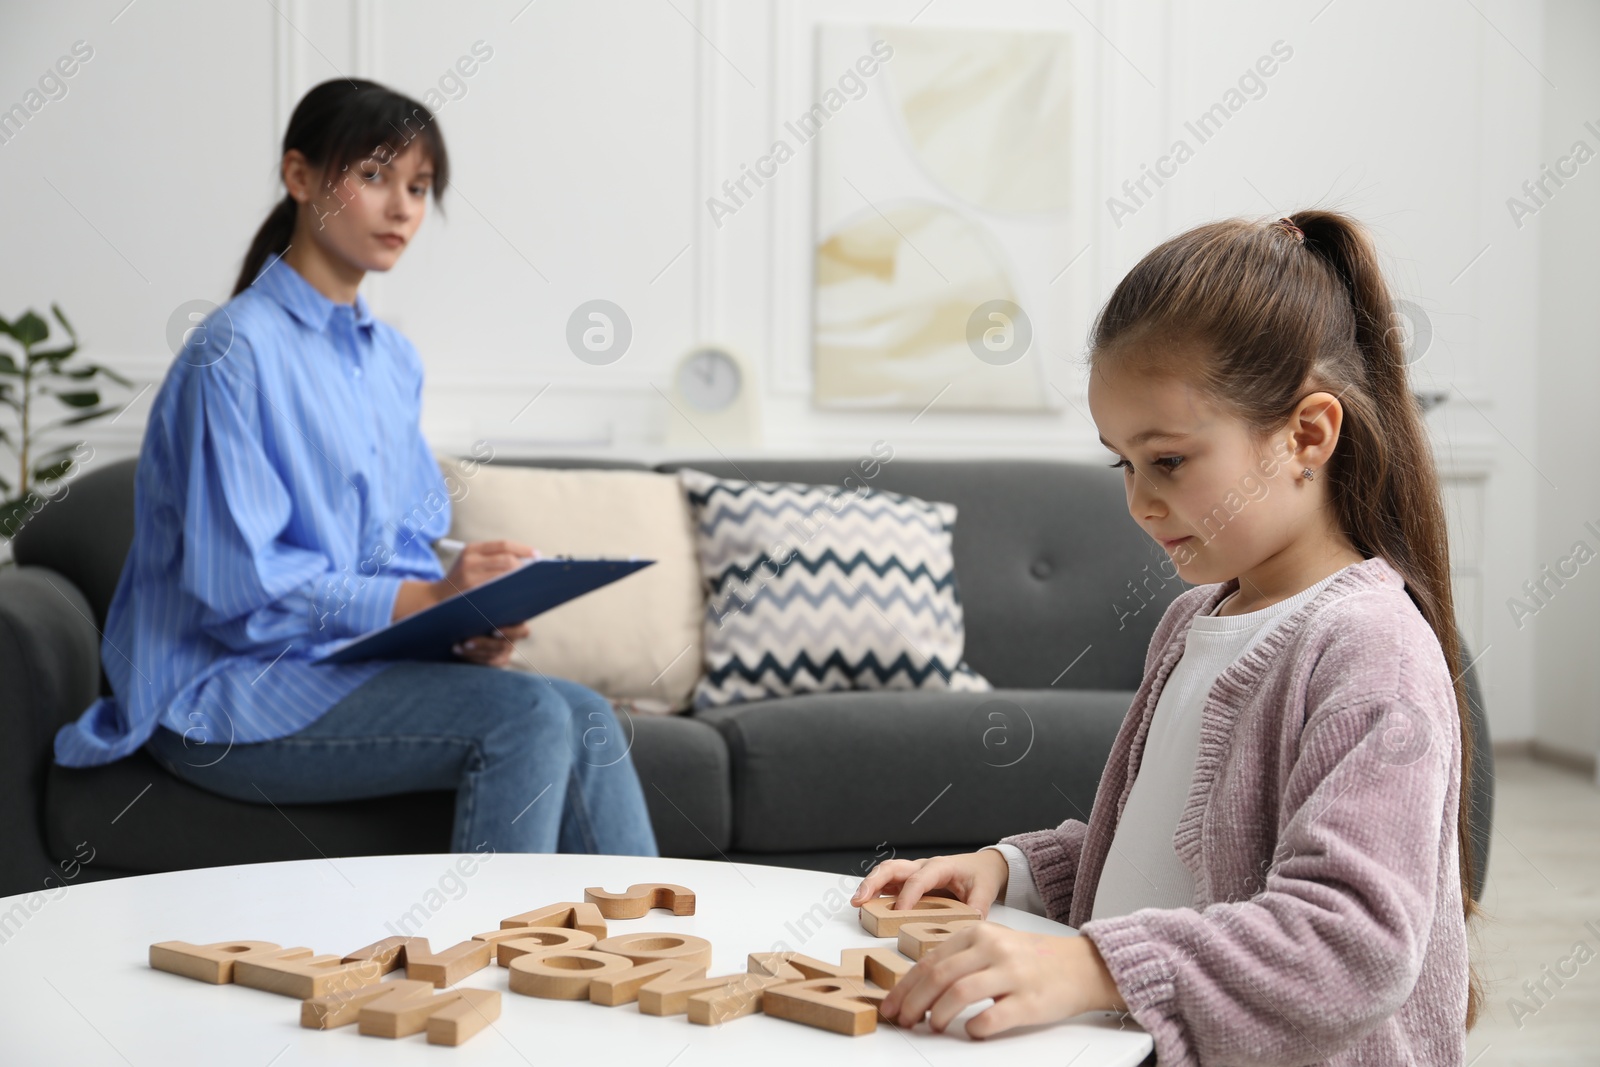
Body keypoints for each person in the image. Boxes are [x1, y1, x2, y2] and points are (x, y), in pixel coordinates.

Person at [852, 210, 1479, 1063]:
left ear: (1307, 435)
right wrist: (1016, 869)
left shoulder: (1369, 648)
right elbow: (1168, 854)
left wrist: (1090, 966)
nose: (1139, 501)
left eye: (1170, 459)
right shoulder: (1195, 620)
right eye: (1123, 461)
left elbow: (1355, 944)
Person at [53, 78, 657, 859]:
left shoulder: (390, 359)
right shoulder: (233, 354)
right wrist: (428, 596)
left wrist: (461, 619)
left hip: (339, 670)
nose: (403, 208)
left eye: (419, 186)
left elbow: (402, 548)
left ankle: (663, 962)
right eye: (374, 176)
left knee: (584, 712)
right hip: (226, 692)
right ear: (299, 176)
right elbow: (241, 591)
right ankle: (481, 976)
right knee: (529, 717)